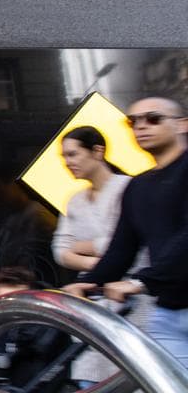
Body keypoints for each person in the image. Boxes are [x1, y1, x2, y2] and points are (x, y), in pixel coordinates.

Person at [64, 96, 188, 369]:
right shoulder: (138, 186)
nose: (141, 126)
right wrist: (91, 282)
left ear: (182, 125)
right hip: (168, 311)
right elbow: (122, 248)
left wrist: (141, 282)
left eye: (153, 118)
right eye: (133, 121)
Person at [51, 126, 152, 385]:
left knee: (140, 375)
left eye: (73, 154)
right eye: (64, 157)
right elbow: (61, 250)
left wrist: (85, 248)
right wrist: (98, 260)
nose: (67, 163)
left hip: (134, 297)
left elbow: (127, 244)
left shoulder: (128, 187)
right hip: (93, 295)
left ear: (97, 151)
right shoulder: (75, 200)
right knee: (93, 376)